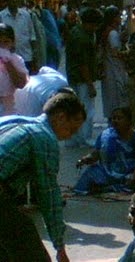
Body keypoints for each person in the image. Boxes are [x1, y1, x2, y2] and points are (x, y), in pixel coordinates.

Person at [0, 91, 87, 262]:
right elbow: (48, 195)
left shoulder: (12, 121)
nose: (70, 135)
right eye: (71, 129)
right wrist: (59, 246)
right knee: (29, 249)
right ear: (61, 117)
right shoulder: (44, 137)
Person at [74, 106, 135, 195]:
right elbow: (97, 153)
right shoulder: (105, 135)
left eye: (119, 118)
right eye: (113, 118)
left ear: (129, 121)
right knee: (91, 172)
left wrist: (134, 175)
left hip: (132, 171)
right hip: (110, 171)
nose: (115, 121)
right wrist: (85, 159)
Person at [66, 7, 103, 147]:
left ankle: (74, 138)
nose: (96, 28)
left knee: (76, 108)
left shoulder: (76, 32)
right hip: (82, 79)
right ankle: (84, 139)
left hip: (74, 76)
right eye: (95, 25)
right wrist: (90, 84)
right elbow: (83, 64)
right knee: (86, 109)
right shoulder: (82, 38)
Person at [100, 6, 129, 120]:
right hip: (113, 68)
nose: (120, 18)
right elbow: (116, 53)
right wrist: (129, 53)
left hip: (110, 68)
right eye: (118, 16)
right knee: (116, 97)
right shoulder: (112, 33)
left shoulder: (109, 31)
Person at [0, 0, 38, 74]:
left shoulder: (26, 15)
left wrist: (35, 53)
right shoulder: (1, 16)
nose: (14, 1)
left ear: (19, 0)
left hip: (26, 56)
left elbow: (32, 35)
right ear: (8, 0)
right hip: (8, 58)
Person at [0, 23, 28, 116]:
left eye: (6, 42)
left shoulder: (17, 60)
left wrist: (8, 63)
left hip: (11, 106)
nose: (2, 46)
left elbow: (21, 84)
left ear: (12, 43)